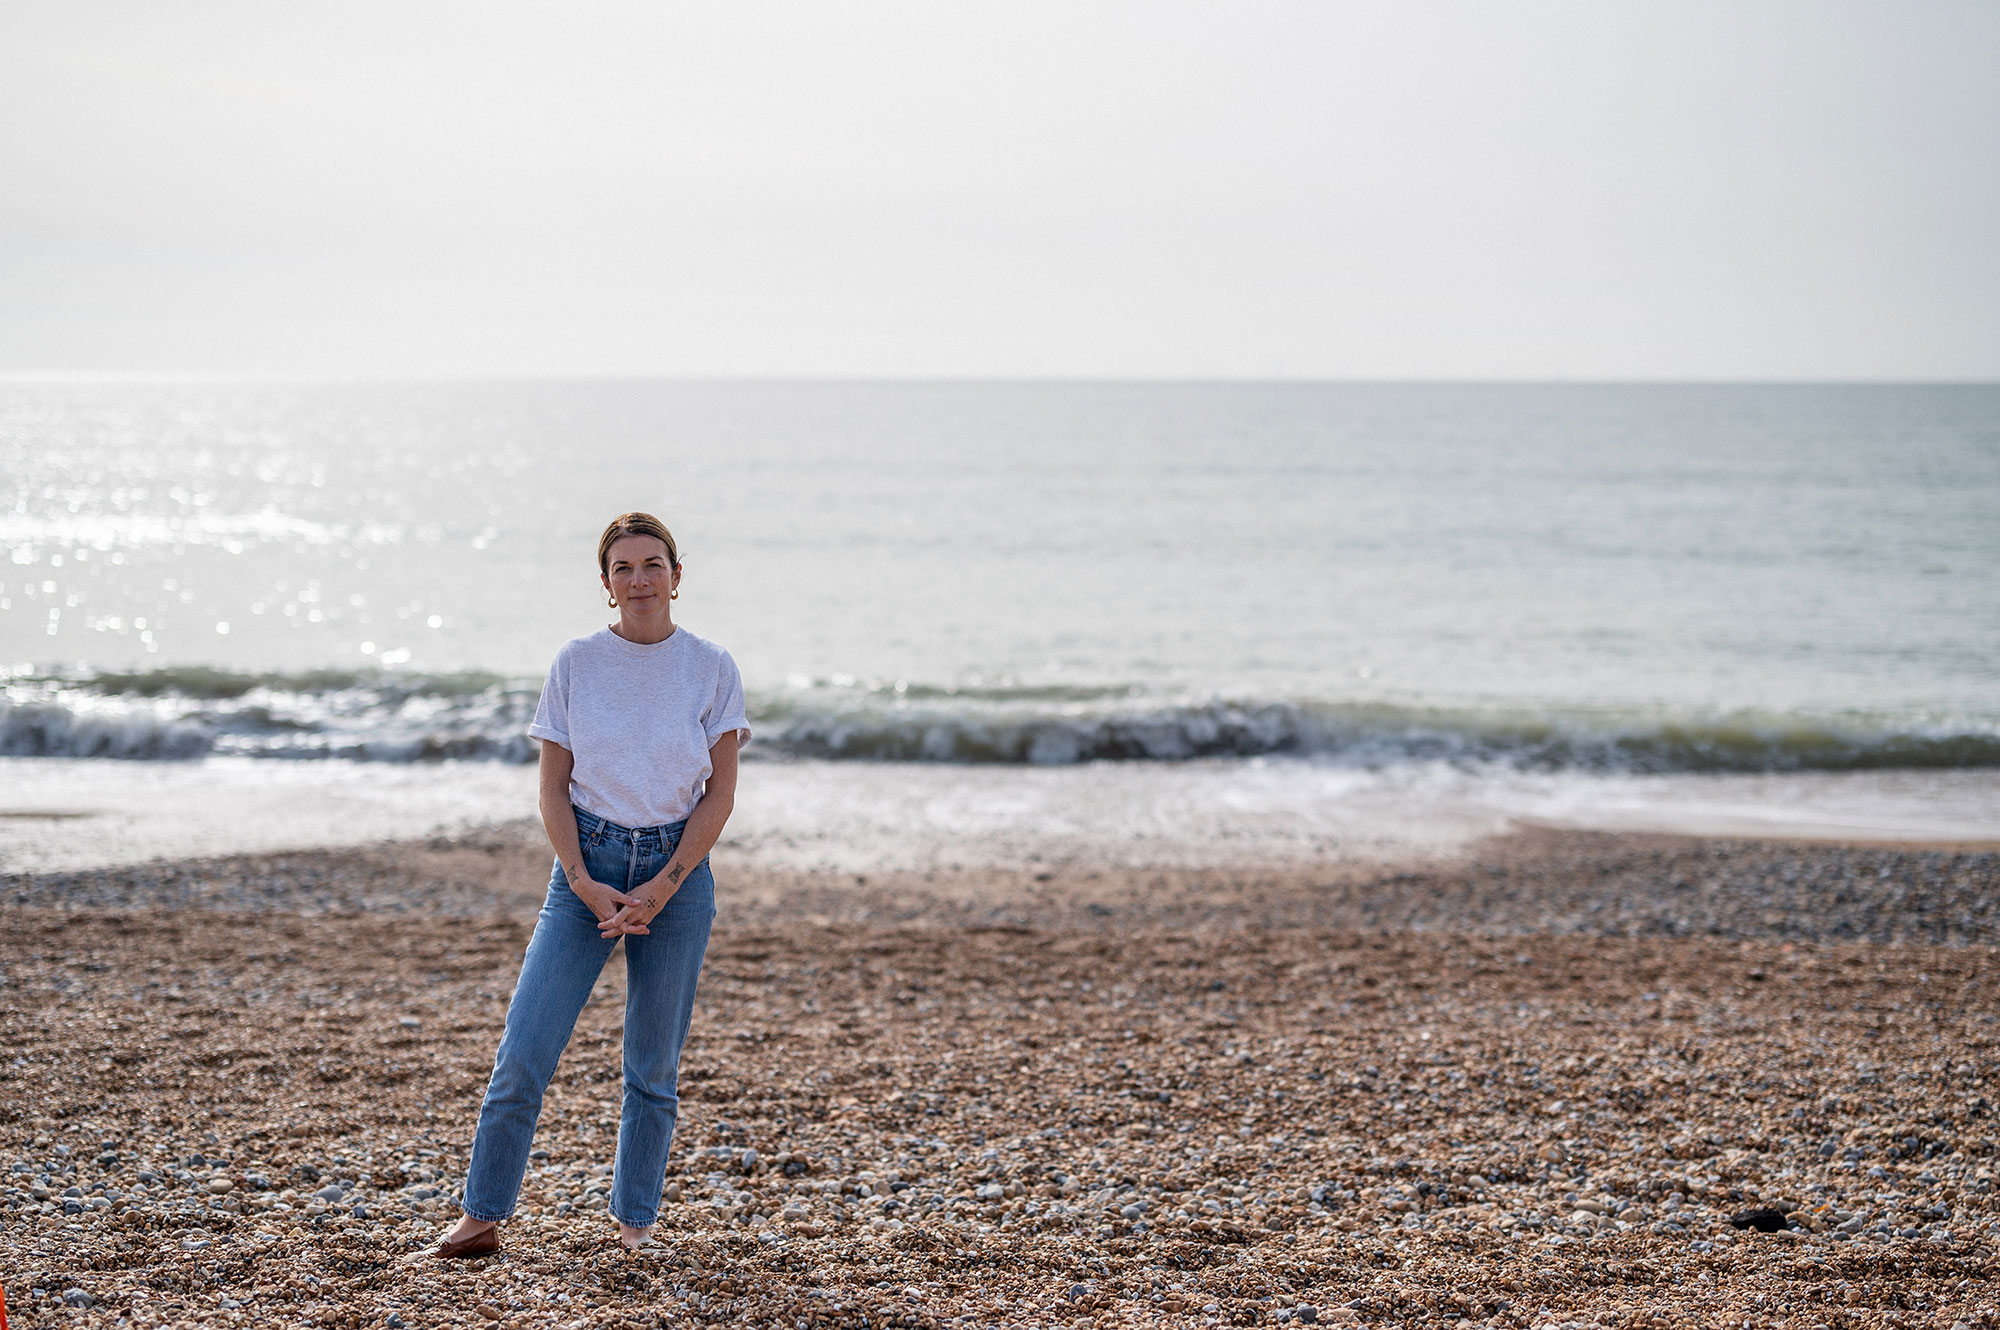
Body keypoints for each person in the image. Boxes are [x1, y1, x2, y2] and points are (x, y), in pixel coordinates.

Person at [430, 511, 748, 1259]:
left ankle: (635, 1225)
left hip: (678, 878)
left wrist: (665, 886)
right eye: (623, 569)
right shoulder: (576, 663)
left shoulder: (712, 666)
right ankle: (480, 1219)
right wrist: (581, 880)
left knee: (653, 1068)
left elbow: (720, 796)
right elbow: (552, 789)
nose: (639, 580)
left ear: (677, 575)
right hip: (585, 870)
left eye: (652, 564)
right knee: (524, 1054)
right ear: (606, 585)